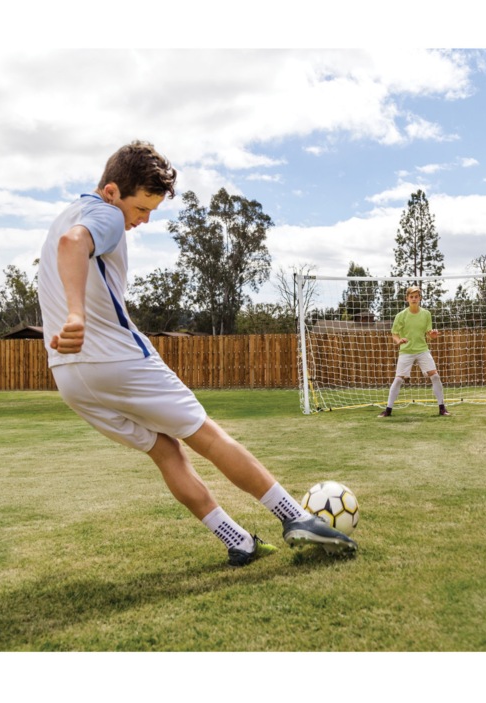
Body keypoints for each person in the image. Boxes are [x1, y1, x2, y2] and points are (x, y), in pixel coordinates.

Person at [38, 140, 357, 567]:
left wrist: (73, 322)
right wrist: (76, 315)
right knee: (205, 434)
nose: (143, 220)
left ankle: (238, 540)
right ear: (113, 191)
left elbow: (66, 242)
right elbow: (72, 245)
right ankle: (294, 516)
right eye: (141, 208)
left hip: (70, 377)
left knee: (165, 451)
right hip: (117, 360)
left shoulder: (65, 213)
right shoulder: (106, 213)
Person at [378, 286, 451, 417]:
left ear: (420, 298)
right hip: (406, 351)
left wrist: (433, 335)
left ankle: (442, 408)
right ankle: (388, 410)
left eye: (416, 297)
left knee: (435, 376)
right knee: (399, 379)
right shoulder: (401, 316)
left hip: (422, 350)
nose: (414, 299)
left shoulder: (426, 314)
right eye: (411, 297)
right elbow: (394, 334)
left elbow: (429, 334)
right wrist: (398, 341)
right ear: (407, 299)